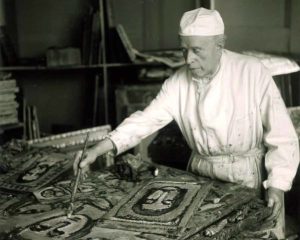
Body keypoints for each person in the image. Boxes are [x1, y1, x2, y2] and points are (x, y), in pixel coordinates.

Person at [74, 7, 299, 239]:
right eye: (184, 50)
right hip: (200, 173)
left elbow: (282, 135)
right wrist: (100, 147)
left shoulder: (252, 72)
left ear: (219, 46)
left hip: (246, 175)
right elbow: (146, 119)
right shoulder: (177, 82)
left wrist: (277, 185)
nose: (188, 59)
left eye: (197, 50)